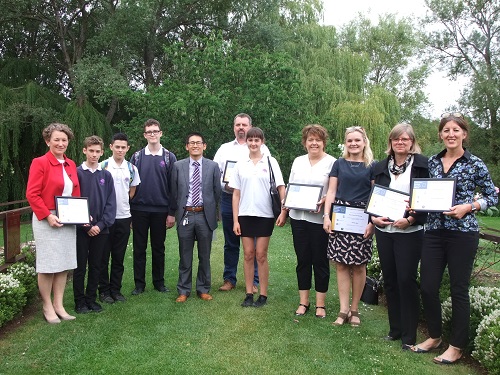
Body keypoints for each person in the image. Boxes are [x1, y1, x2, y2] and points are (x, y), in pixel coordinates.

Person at [411, 113, 497, 364]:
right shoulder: (433, 162)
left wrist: (469, 207)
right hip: (434, 231)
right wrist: (415, 204)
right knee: (427, 286)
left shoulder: (476, 163)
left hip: (462, 233)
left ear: (464, 134)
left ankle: (457, 345)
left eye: (455, 130)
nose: (450, 134)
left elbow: (492, 196)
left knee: (459, 290)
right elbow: (427, 193)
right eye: (446, 130)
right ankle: (435, 336)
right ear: (440, 134)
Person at [371, 123, 428, 349]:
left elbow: (427, 199)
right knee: (391, 281)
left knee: (406, 280)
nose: (400, 142)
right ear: (391, 142)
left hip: (409, 231)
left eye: (405, 139)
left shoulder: (423, 166)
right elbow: (373, 196)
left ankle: (409, 335)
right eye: (396, 139)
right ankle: (395, 330)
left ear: (412, 142)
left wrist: (412, 219)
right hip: (385, 231)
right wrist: (373, 218)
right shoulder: (380, 166)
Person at [277, 125, 336, 317]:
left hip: (319, 220)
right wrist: (284, 212)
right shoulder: (298, 161)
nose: (314, 143)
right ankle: (304, 302)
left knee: (320, 261)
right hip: (298, 218)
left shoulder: (332, 163)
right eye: (310, 139)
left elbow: (336, 191)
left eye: (318, 140)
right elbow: (290, 188)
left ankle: (320, 304)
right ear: (305, 143)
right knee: (302, 260)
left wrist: (326, 198)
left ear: (323, 142)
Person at [26, 123, 81, 323]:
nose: (60, 143)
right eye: (56, 139)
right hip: (46, 218)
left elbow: (75, 193)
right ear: (48, 141)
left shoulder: (71, 164)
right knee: (48, 264)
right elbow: (32, 194)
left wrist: (79, 214)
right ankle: (47, 306)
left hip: (67, 218)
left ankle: (59, 304)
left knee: (64, 263)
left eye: (64, 140)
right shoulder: (39, 163)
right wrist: (47, 216)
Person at [323, 126, 375, 326]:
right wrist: (327, 216)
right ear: (345, 143)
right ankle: (343, 309)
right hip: (340, 218)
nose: (353, 144)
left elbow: (374, 196)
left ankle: (355, 309)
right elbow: (331, 192)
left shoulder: (372, 166)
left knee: (359, 265)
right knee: (341, 264)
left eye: (357, 140)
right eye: (349, 140)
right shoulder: (339, 164)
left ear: (364, 142)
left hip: (362, 219)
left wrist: (371, 222)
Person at [213, 113, 271, 293]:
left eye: (244, 125)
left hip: (253, 200)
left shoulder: (263, 149)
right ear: (233, 127)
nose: (241, 128)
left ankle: (254, 281)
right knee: (231, 241)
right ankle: (229, 278)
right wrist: (227, 184)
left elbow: (269, 177)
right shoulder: (224, 149)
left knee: (253, 242)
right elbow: (215, 174)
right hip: (229, 198)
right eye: (237, 124)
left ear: (250, 126)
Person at [230, 127, 286, 307]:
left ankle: (263, 294)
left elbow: (281, 188)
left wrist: (284, 211)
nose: (253, 143)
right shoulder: (240, 164)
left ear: (262, 142)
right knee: (248, 254)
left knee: (261, 255)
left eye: (257, 140)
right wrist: (236, 220)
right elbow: (236, 194)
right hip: (245, 214)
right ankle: (248, 293)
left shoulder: (271, 162)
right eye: (250, 140)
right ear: (246, 142)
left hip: (265, 214)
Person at [170, 133, 222, 302]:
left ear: (204, 146)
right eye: (191, 143)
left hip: (204, 216)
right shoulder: (178, 166)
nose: (195, 146)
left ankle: (203, 288)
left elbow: (217, 192)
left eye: (198, 143)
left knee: (204, 255)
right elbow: (174, 193)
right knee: (185, 255)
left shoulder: (213, 166)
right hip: (185, 214)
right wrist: (173, 214)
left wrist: (216, 216)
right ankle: (183, 290)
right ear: (187, 146)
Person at [129, 118, 177, 295]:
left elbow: (174, 187)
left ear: (160, 133)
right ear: (145, 135)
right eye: (149, 132)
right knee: (139, 248)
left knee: (159, 248)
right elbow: (129, 186)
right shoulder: (136, 157)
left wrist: (172, 213)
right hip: (139, 210)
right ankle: (139, 284)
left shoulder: (169, 157)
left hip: (161, 211)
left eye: (155, 131)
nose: (152, 134)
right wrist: (129, 213)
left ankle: (159, 282)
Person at [74, 136, 116, 313]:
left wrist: (100, 224)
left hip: (101, 229)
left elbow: (111, 203)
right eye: (91, 151)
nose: (94, 154)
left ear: (102, 152)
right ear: (84, 150)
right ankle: (79, 301)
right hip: (81, 229)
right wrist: (86, 224)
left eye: (97, 151)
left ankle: (91, 298)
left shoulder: (106, 175)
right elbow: (73, 200)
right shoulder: (77, 173)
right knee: (80, 266)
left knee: (97, 265)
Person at [98, 133, 141, 303]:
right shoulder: (102, 166)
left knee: (118, 256)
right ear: (111, 147)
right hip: (105, 219)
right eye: (117, 147)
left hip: (124, 217)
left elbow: (132, 190)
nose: (120, 150)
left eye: (124, 147)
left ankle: (116, 290)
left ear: (128, 148)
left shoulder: (131, 168)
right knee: (103, 257)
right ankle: (104, 291)